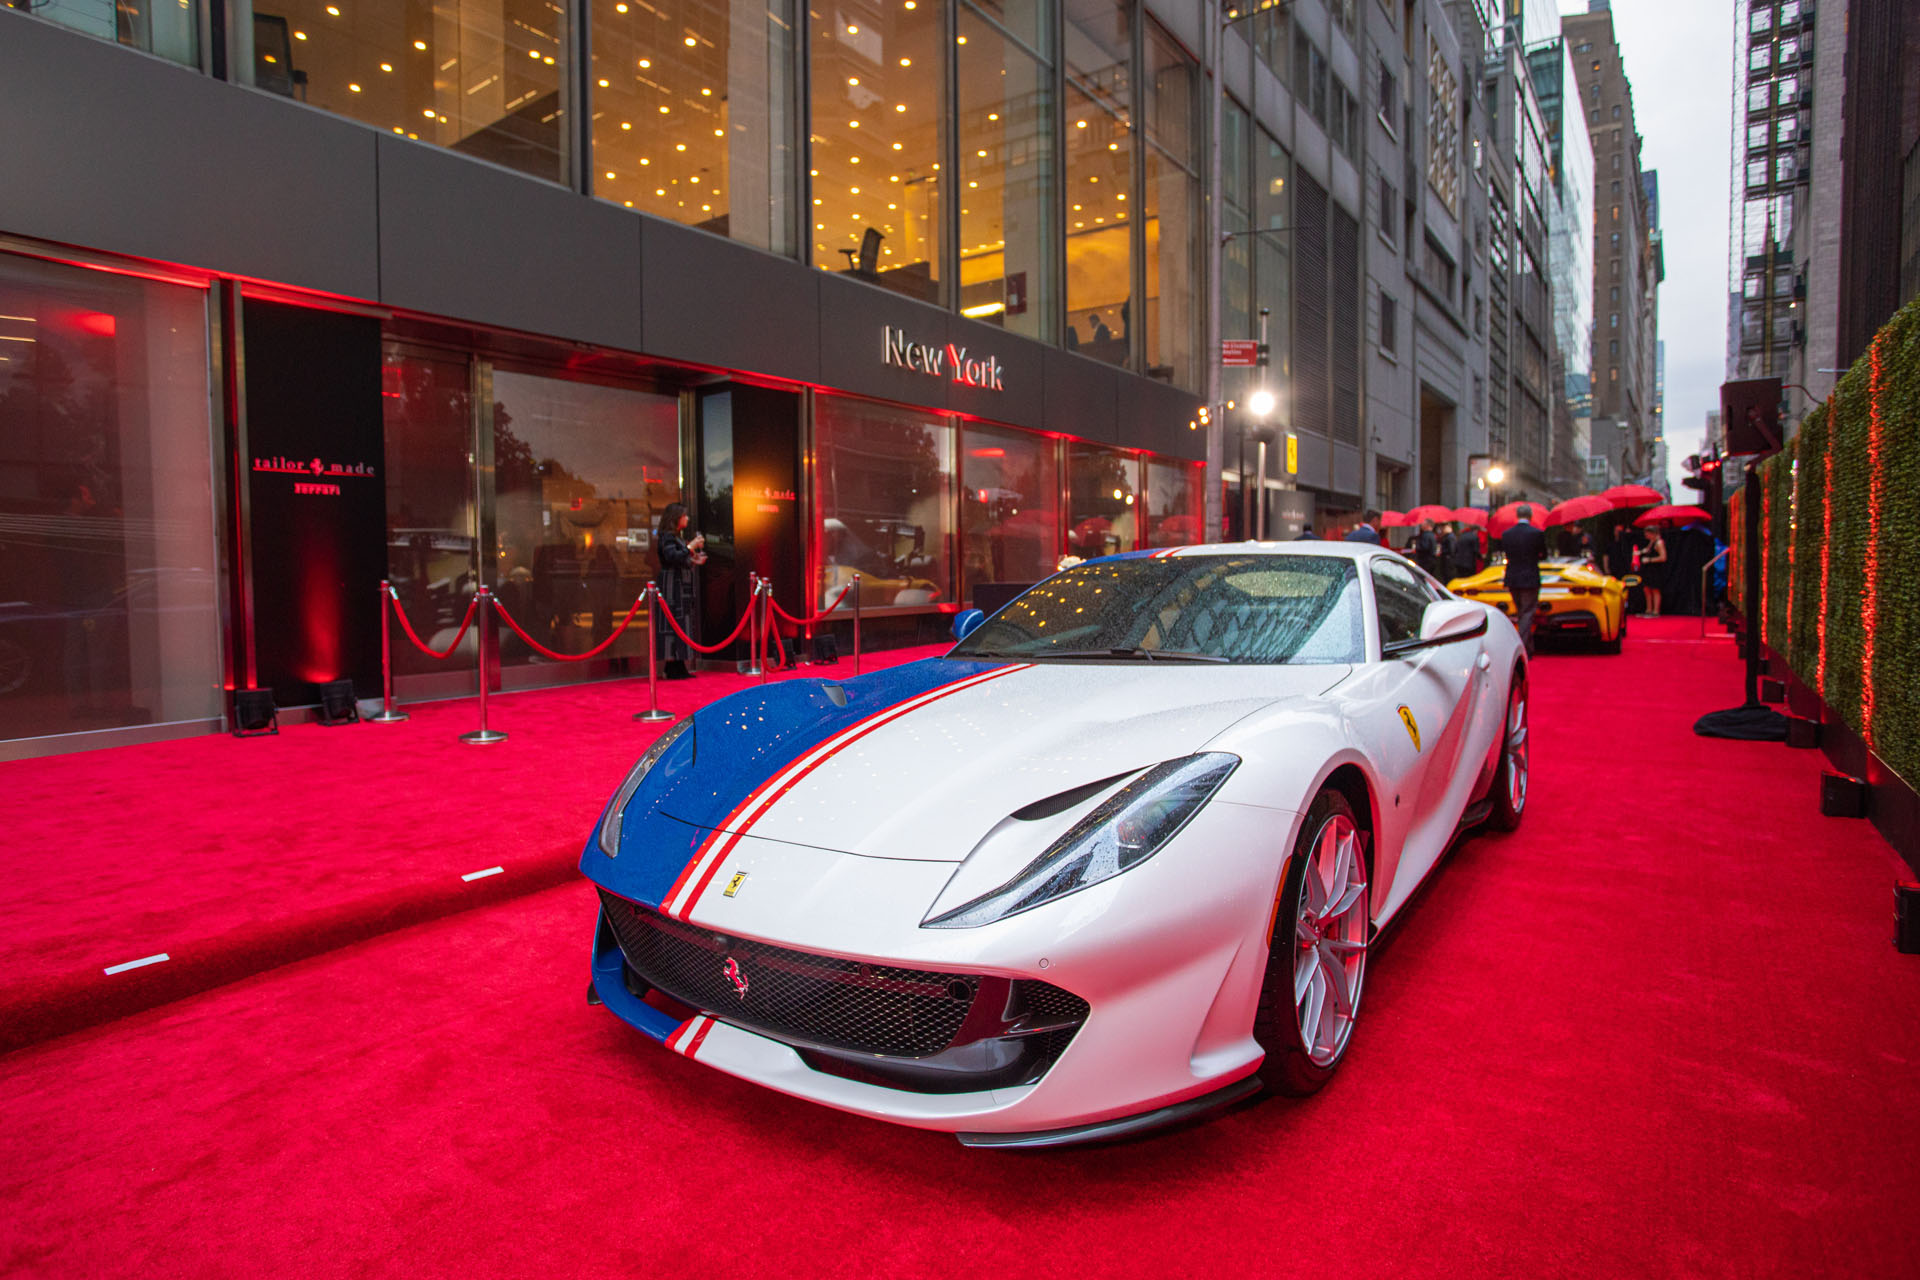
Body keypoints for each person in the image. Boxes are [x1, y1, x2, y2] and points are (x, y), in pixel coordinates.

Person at [654, 502, 705, 679]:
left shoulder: (675, 537)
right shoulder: (667, 537)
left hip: (679, 585)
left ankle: (678, 664)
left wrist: (693, 559)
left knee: (680, 623)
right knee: (672, 623)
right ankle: (672, 665)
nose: (687, 518)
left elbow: (680, 557)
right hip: (671, 586)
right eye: (684, 515)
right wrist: (690, 547)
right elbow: (671, 557)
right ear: (676, 517)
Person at [1500, 503, 1547, 658]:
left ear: (1517, 516)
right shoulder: (1536, 533)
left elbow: (1506, 553)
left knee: (1522, 611)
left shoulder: (1507, 534)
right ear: (1530, 516)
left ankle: (1529, 647)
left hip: (1513, 576)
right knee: (1527, 612)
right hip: (1530, 577)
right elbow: (1544, 554)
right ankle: (1520, 647)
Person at [1639, 525, 1668, 615]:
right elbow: (1647, 550)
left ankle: (1656, 611)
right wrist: (1639, 552)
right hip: (1648, 570)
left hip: (1656, 569)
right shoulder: (1652, 541)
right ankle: (1649, 609)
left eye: (1647, 534)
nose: (1646, 536)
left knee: (1655, 589)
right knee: (1647, 589)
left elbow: (1663, 557)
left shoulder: (1659, 543)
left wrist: (1650, 560)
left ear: (1653, 533)